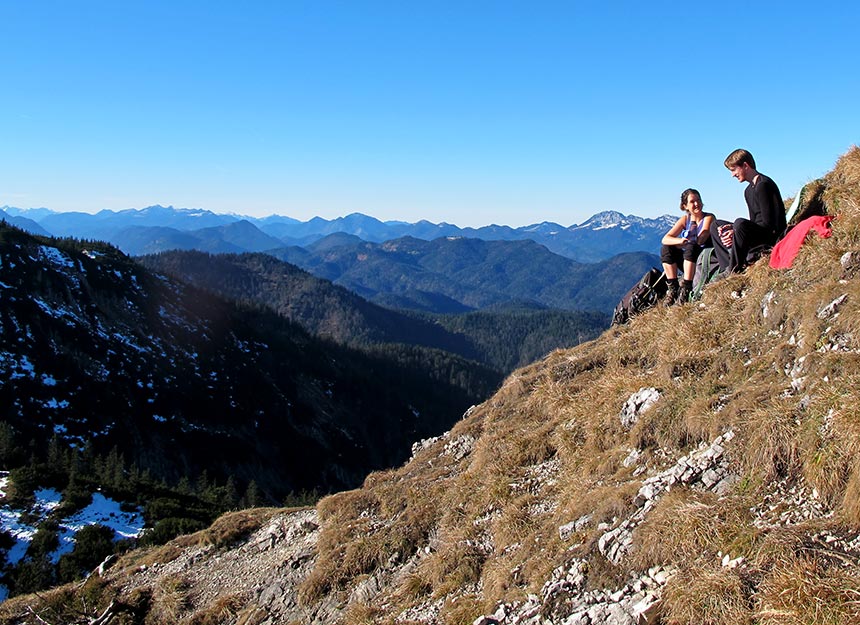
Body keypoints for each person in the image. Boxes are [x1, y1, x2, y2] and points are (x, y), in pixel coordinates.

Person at [709, 149, 786, 273]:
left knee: (739, 223)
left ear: (745, 166)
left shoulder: (763, 185)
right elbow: (753, 221)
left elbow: (770, 225)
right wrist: (732, 228)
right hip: (759, 233)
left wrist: (735, 230)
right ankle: (727, 267)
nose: (732, 175)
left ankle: (735, 270)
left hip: (771, 236)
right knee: (715, 225)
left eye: (734, 170)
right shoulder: (748, 191)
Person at [660, 188, 714, 305]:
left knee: (691, 246)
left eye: (698, 200)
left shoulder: (709, 217)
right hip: (689, 260)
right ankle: (673, 288)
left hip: (703, 260)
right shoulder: (685, 219)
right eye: (692, 201)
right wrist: (680, 241)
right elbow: (665, 239)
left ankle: (687, 288)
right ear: (685, 206)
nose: (697, 204)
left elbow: (701, 239)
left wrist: (688, 240)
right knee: (667, 248)